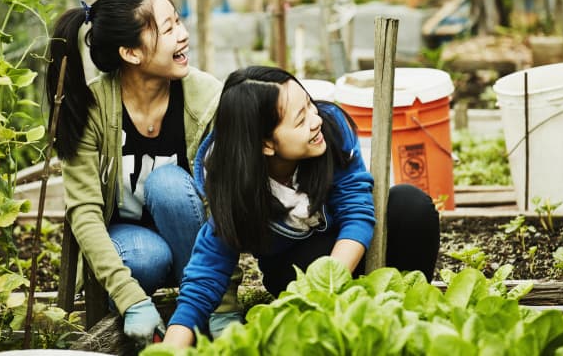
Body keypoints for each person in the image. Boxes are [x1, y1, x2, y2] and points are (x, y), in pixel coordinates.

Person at [163, 65, 441, 347]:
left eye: (309, 104)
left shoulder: (330, 128)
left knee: (410, 206)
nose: (315, 119)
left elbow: (356, 210)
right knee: (312, 257)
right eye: (300, 119)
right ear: (266, 144)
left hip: (351, 248)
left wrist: (332, 281)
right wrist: (169, 349)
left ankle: (407, 318)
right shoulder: (235, 185)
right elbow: (205, 275)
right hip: (298, 271)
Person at [46, 0, 231, 345]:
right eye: (169, 28)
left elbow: (221, 202)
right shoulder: (93, 108)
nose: (183, 35)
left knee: (168, 184)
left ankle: (203, 307)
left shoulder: (207, 98)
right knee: (146, 257)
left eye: (179, 21)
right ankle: (150, 317)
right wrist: (130, 299)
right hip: (132, 243)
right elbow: (83, 211)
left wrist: (224, 303)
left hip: (194, 239)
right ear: (131, 53)